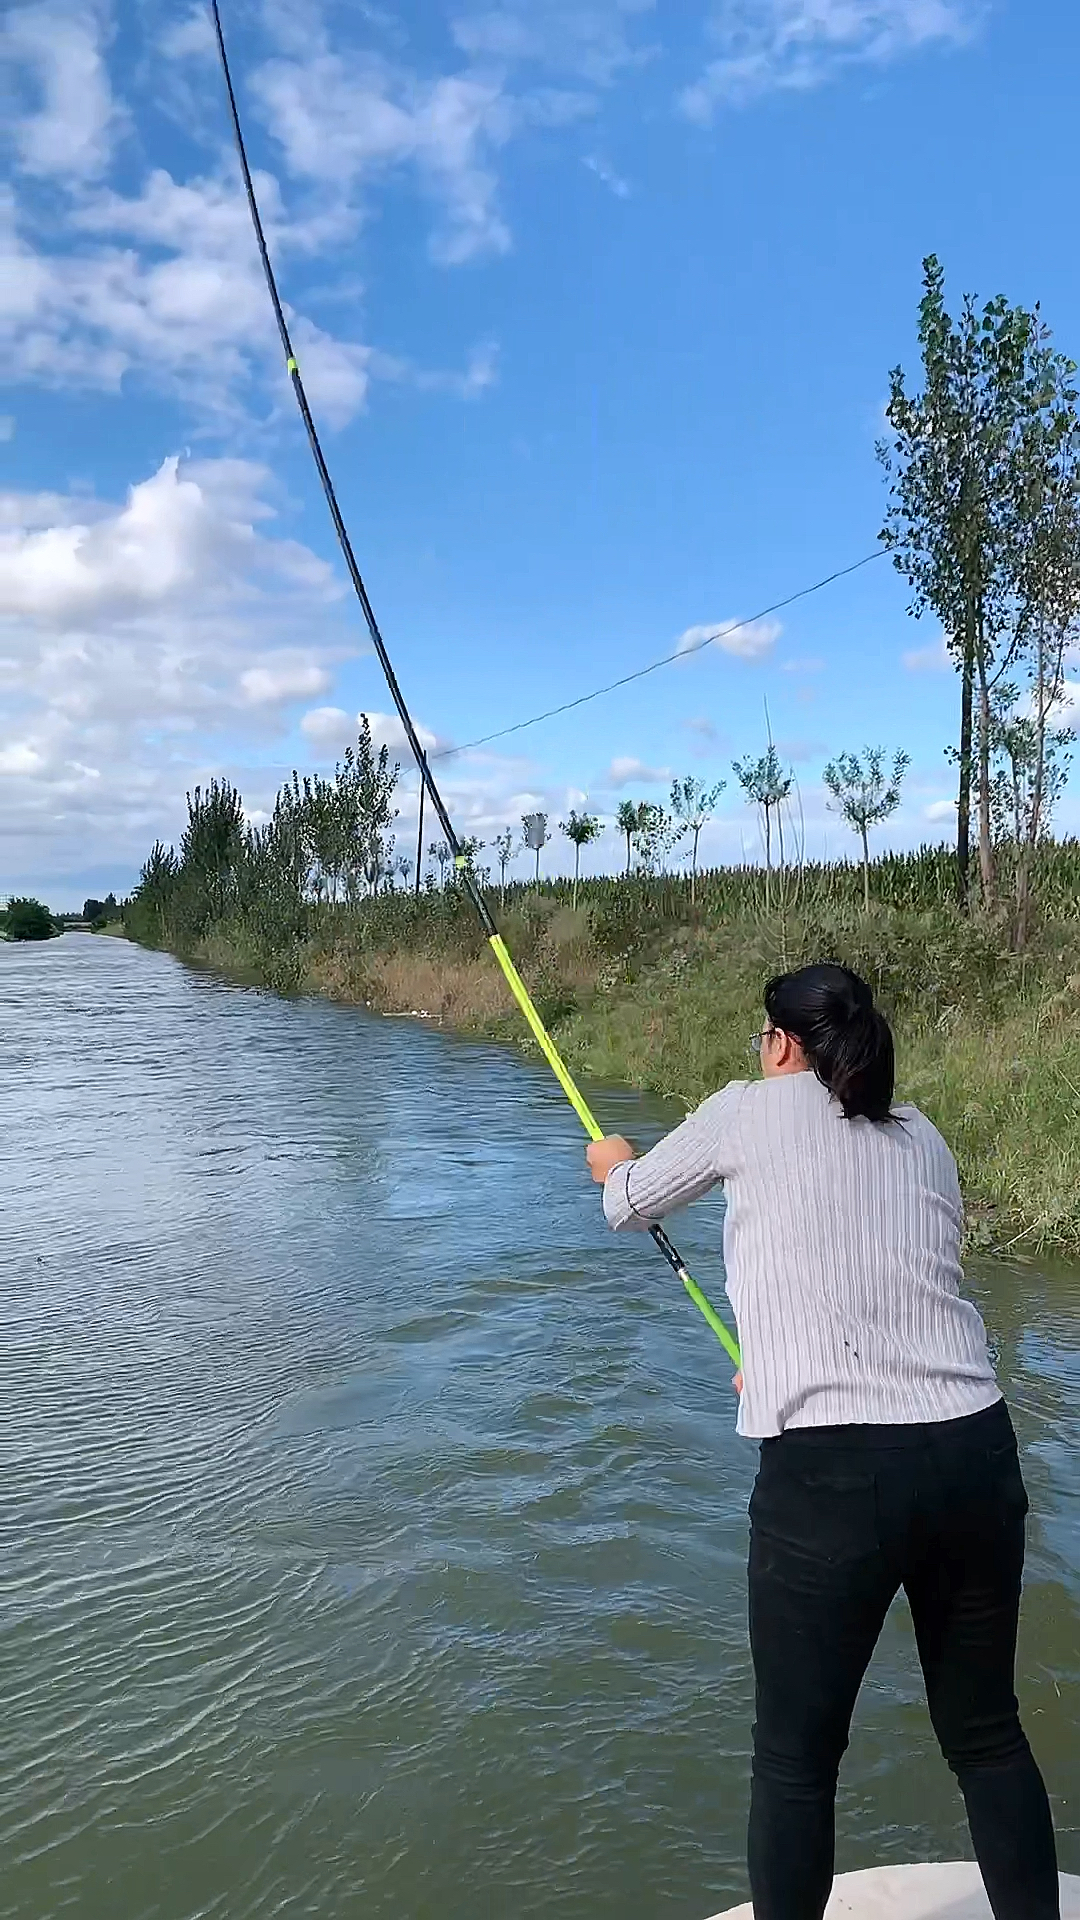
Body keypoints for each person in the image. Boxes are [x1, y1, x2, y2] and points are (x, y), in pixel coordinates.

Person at [586, 962, 1059, 1920]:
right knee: (987, 1737)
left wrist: (613, 1160)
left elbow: (628, 1204)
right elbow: (905, 1278)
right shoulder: (923, 1135)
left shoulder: (743, 1110)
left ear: (780, 1044)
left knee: (795, 1763)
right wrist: (780, 1362)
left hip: (830, 1480)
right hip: (974, 1453)